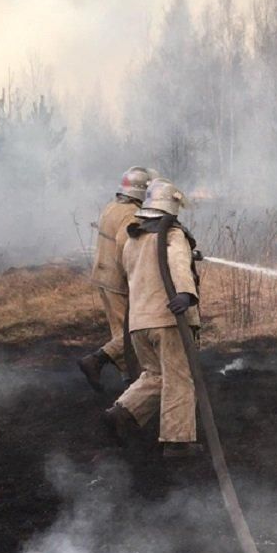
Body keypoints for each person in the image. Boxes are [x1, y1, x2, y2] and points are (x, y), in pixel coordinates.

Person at [105, 178, 202, 458]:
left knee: (156, 375)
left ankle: (121, 413)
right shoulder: (171, 234)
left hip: (139, 324)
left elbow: (139, 272)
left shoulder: (133, 240)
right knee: (179, 378)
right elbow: (177, 262)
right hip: (169, 321)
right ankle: (177, 442)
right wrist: (185, 293)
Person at [78, 166, 155, 391]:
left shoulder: (112, 207)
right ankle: (96, 360)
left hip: (103, 276)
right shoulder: (131, 213)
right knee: (133, 332)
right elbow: (127, 246)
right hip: (118, 280)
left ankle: (129, 379)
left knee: (119, 330)